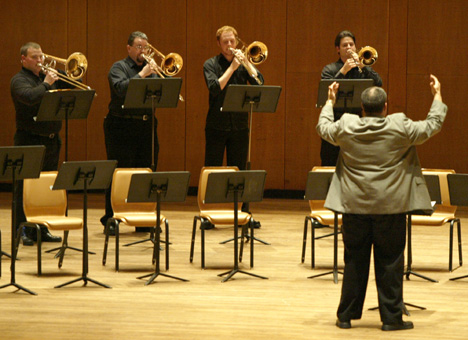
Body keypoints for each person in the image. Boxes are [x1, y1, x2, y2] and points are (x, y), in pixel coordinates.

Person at [316, 75, 446, 331]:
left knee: (354, 260)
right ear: (385, 107)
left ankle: (345, 316)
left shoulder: (347, 125)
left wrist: (330, 102)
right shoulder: (400, 125)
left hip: (354, 206)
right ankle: (391, 318)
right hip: (391, 207)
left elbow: (323, 128)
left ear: (362, 109)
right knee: (389, 262)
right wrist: (437, 95)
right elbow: (433, 124)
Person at [10, 42, 74, 246]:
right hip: (29, 140)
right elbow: (30, 98)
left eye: (41, 56)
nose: (40, 61)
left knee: (46, 186)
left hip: (52, 140)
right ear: (23, 59)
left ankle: (42, 229)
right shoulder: (18, 80)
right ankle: (23, 230)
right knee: (25, 186)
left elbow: (76, 82)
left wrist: (68, 73)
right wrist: (47, 83)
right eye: (35, 57)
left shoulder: (50, 76)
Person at [202, 25, 263, 230]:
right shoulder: (210, 64)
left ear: (237, 42)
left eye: (233, 41)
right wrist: (232, 68)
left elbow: (260, 84)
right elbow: (214, 88)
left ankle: (244, 214)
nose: (230, 45)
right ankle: (208, 215)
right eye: (225, 42)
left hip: (239, 126)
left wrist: (246, 63)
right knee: (212, 170)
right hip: (216, 125)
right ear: (218, 43)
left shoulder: (243, 63)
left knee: (241, 170)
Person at [101, 31, 161, 235]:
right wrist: (143, 74)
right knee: (119, 173)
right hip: (121, 126)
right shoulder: (119, 67)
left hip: (146, 126)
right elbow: (120, 89)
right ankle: (111, 218)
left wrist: (154, 75)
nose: (142, 51)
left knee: (145, 173)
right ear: (129, 48)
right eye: (138, 47)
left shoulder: (150, 69)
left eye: (145, 47)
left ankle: (143, 218)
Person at [320, 30, 382, 166]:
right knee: (330, 164)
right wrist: (343, 71)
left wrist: (364, 67)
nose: (349, 48)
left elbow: (378, 84)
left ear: (356, 47)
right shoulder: (329, 69)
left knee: (357, 164)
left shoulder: (362, 69)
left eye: (351, 44)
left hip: (358, 124)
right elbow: (326, 91)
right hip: (335, 122)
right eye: (344, 45)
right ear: (338, 49)